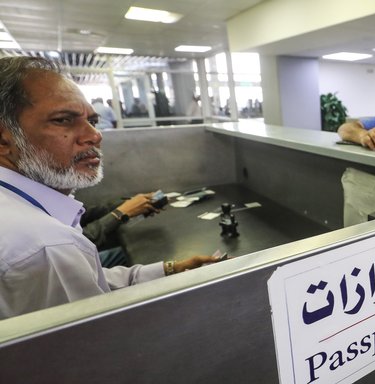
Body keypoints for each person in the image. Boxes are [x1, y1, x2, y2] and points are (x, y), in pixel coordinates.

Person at [0, 56, 219, 319]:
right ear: (3, 140)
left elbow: (92, 280)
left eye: (91, 120)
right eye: (63, 120)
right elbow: (94, 347)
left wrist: (170, 269)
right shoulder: (48, 247)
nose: (95, 135)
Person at [81, 193, 161, 267]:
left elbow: (82, 214)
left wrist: (129, 205)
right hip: (76, 267)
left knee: (140, 248)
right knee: (144, 253)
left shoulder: (69, 198)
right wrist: (121, 212)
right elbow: (77, 241)